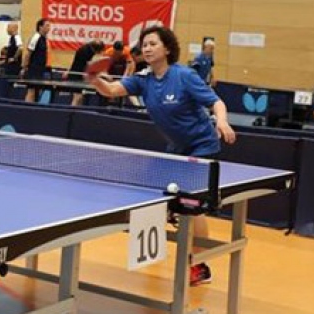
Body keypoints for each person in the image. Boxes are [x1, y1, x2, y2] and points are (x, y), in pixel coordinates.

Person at [88, 25, 237, 286]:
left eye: (153, 44)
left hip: (202, 146)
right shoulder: (143, 81)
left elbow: (216, 102)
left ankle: (199, 265)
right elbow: (111, 91)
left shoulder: (183, 76)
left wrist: (222, 122)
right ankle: (163, 230)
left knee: (193, 205)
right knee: (156, 193)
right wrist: (95, 79)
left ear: (167, 49)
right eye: (144, 44)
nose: (146, 48)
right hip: (176, 149)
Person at [21, 18, 52, 102]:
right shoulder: (36, 37)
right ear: (40, 27)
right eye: (47, 25)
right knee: (31, 91)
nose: (49, 28)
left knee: (37, 91)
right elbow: (28, 53)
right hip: (33, 69)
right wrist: (24, 67)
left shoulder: (45, 39)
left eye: (49, 26)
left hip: (40, 70)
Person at [65, 39, 104, 106]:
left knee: (80, 97)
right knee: (77, 97)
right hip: (76, 75)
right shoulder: (85, 51)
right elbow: (87, 65)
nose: (98, 53)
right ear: (95, 49)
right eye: (99, 51)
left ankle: (78, 113)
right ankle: (71, 113)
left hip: (79, 74)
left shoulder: (89, 49)